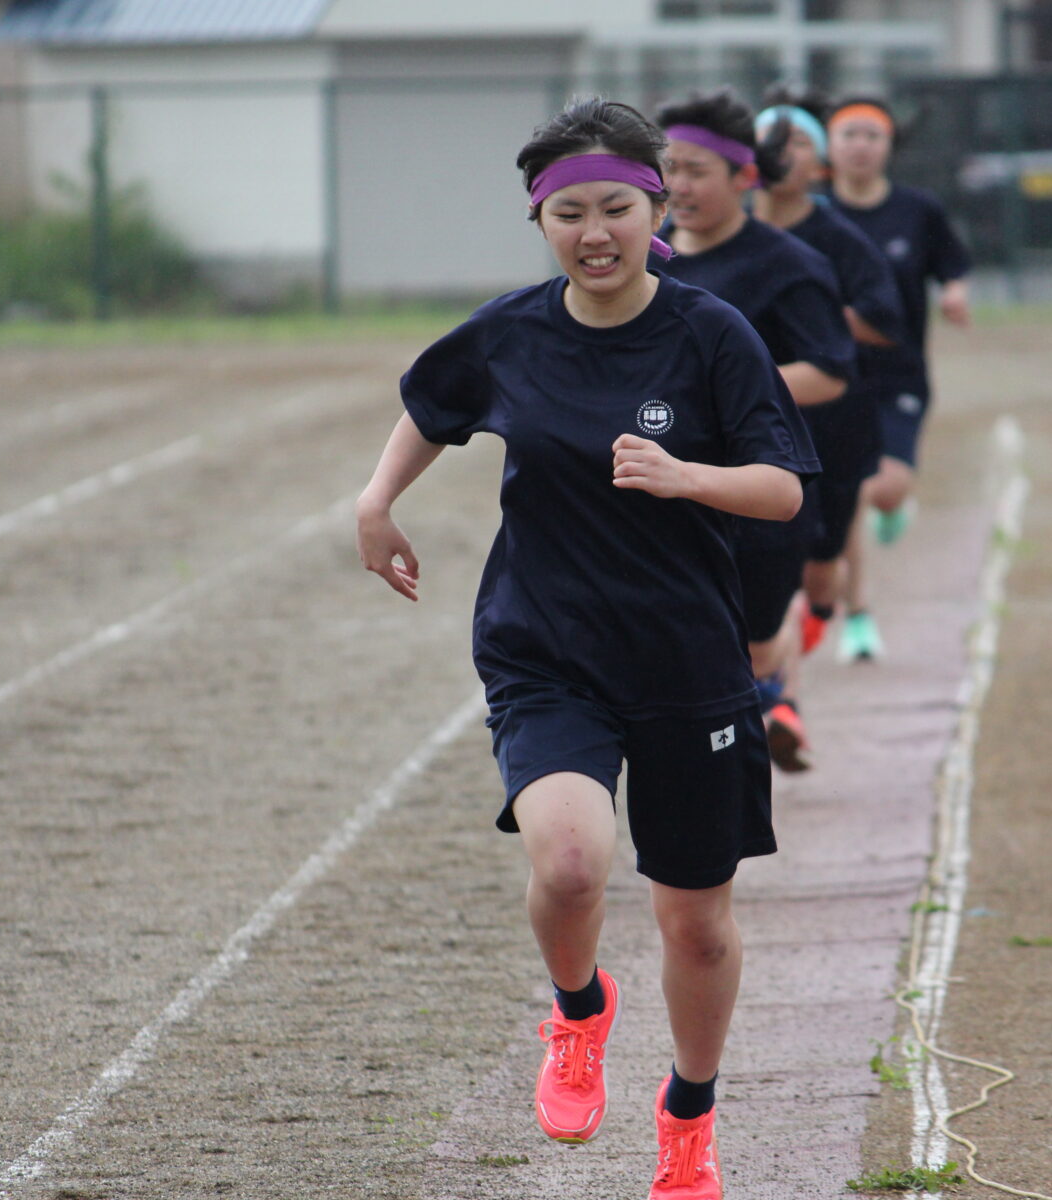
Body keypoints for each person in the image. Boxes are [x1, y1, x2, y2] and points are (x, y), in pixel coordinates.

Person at [355, 97, 819, 1200]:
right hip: (545, 645)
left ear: (657, 207)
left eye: (617, 205)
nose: (594, 229)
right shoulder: (512, 331)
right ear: (542, 220)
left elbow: (786, 487)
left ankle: (689, 1119)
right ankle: (578, 1014)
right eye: (570, 212)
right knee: (567, 863)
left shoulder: (711, 334)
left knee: (695, 926)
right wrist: (376, 502)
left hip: (688, 660)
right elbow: (433, 401)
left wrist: (688, 475)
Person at [651, 89, 855, 772]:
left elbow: (830, 372)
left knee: (753, 651)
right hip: (661, 498)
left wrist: (724, 398)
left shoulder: (789, 265)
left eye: (696, 170)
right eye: (668, 167)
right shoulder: (641, 264)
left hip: (763, 494)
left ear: (745, 177)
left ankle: (771, 696)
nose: (678, 185)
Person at [750, 90, 907, 765]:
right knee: (765, 578)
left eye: (799, 145)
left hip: (834, 430)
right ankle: (777, 700)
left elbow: (886, 323)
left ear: (820, 165)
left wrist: (816, 321)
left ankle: (794, 656)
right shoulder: (715, 242)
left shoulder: (839, 242)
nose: (783, 157)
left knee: (817, 585)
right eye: (769, 145)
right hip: (751, 440)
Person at [827, 96, 972, 663]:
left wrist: (955, 293)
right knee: (847, 498)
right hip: (831, 378)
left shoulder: (918, 210)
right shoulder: (814, 217)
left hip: (899, 374)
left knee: (881, 489)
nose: (861, 146)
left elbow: (951, 266)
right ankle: (857, 617)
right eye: (849, 135)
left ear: (889, 147)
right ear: (830, 148)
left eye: (873, 136)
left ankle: (892, 506)